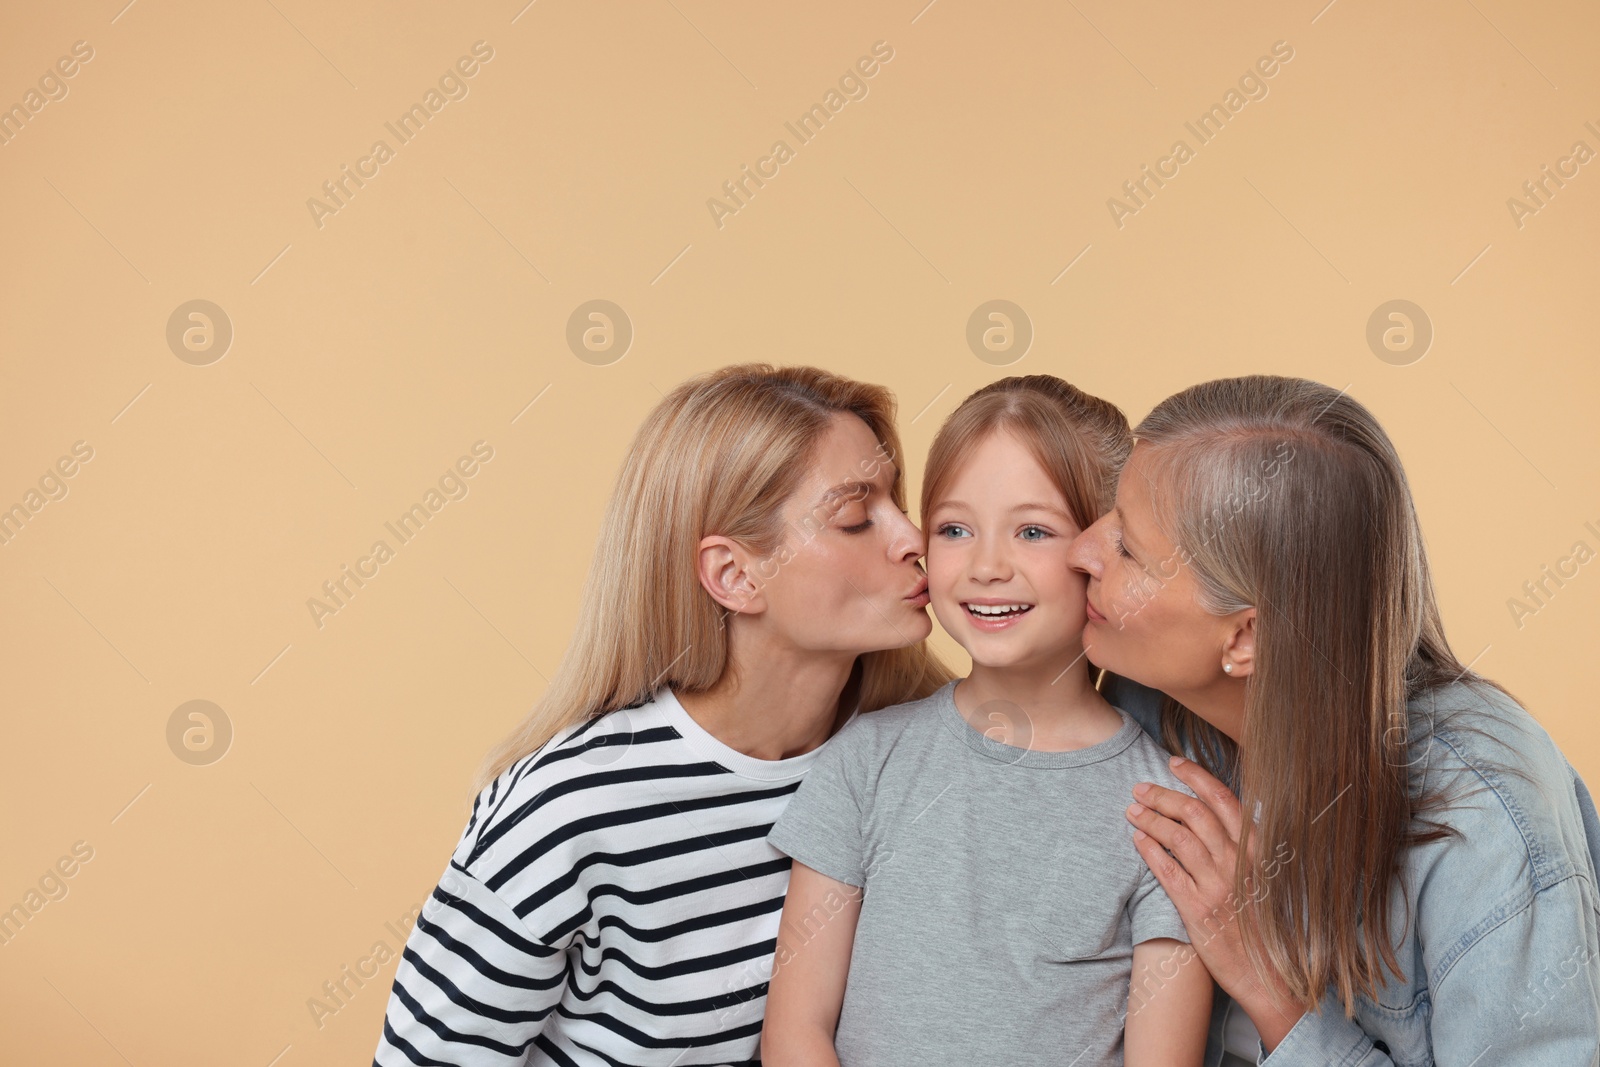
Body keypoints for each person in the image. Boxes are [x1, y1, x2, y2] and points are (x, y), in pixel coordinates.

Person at [370, 364, 954, 1066]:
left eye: (897, 501)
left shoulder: (920, 758)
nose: (913, 537)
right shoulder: (568, 808)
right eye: (857, 517)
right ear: (735, 575)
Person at [1067, 374, 1600, 1064]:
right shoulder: (1144, 705)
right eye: (1111, 513)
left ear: (1245, 638)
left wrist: (1268, 985)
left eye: (1129, 549)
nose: (1081, 548)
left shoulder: (1488, 820)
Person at [761, 376, 1212, 1067]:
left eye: (1032, 530)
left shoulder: (1164, 810)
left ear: (1100, 549)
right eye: (954, 529)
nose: (987, 565)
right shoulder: (866, 760)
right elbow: (795, 1034)